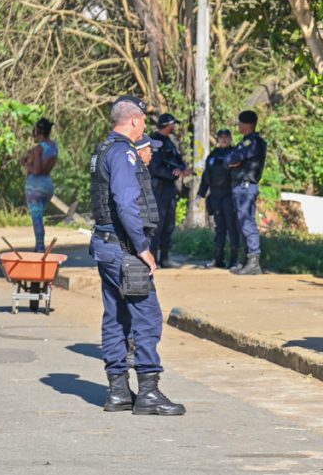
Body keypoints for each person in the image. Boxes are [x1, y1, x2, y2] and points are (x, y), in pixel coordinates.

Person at [89, 95, 184, 415]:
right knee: (147, 316)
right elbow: (126, 203)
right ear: (133, 121)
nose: (145, 125)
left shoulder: (104, 149)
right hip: (125, 249)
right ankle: (148, 392)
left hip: (106, 244)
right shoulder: (123, 154)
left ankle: (117, 392)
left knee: (116, 316)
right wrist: (143, 249)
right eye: (143, 119)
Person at [226, 110, 267, 276]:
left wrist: (233, 162)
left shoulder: (253, 142)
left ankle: (253, 261)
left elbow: (232, 160)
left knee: (247, 222)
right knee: (241, 223)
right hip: (240, 186)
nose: (238, 125)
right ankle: (246, 260)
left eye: (240, 123)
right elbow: (229, 161)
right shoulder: (245, 141)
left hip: (246, 186)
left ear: (247, 124)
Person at [149, 113, 190, 268]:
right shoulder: (154, 142)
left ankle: (165, 258)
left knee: (169, 224)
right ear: (168, 125)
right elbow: (155, 168)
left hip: (169, 190)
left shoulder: (170, 142)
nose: (175, 127)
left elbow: (177, 161)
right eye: (173, 124)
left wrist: (183, 169)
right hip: (157, 189)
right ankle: (152, 259)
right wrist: (173, 174)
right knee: (156, 225)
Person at [198, 129, 241, 269]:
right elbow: (206, 177)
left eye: (226, 137)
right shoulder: (213, 155)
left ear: (230, 138)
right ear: (217, 139)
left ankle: (234, 261)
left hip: (230, 195)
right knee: (219, 228)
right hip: (216, 196)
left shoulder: (235, 153)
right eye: (221, 137)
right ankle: (218, 259)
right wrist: (200, 194)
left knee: (232, 228)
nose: (223, 140)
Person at [19, 117, 59, 253]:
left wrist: (25, 163)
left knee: (37, 220)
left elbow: (36, 170)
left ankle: (40, 248)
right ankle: (38, 247)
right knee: (40, 218)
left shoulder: (38, 149)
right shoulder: (54, 147)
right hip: (48, 184)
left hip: (35, 186)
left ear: (38, 131)